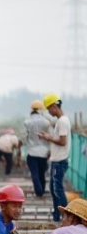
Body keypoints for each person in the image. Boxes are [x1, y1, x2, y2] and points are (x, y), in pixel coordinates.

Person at [40, 93, 71, 222]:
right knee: (53, 189)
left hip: (59, 162)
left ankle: (67, 216)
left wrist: (48, 137)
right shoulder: (61, 121)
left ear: (54, 107)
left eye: (48, 109)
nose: (49, 112)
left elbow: (62, 141)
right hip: (56, 160)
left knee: (58, 189)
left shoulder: (62, 121)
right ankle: (57, 214)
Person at [23, 100, 51, 198]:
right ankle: (41, 191)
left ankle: (38, 192)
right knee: (42, 173)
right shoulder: (46, 122)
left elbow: (23, 136)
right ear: (41, 110)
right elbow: (50, 137)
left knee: (34, 173)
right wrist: (49, 151)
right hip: (44, 152)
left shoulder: (27, 122)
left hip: (32, 152)